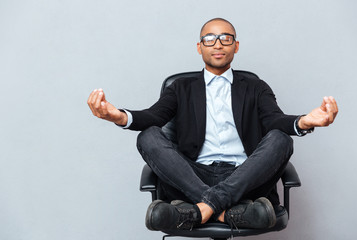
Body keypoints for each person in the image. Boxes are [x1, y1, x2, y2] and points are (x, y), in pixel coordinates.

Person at [87, 18, 338, 231]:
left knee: (281, 139)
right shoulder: (181, 88)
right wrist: (119, 116)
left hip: (245, 175)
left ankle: (196, 212)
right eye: (210, 39)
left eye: (225, 38)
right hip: (195, 175)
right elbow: (153, 117)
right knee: (148, 136)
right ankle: (227, 212)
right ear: (199, 47)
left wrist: (304, 121)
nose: (218, 44)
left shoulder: (255, 86)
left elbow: (274, 120)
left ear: (236, 46)